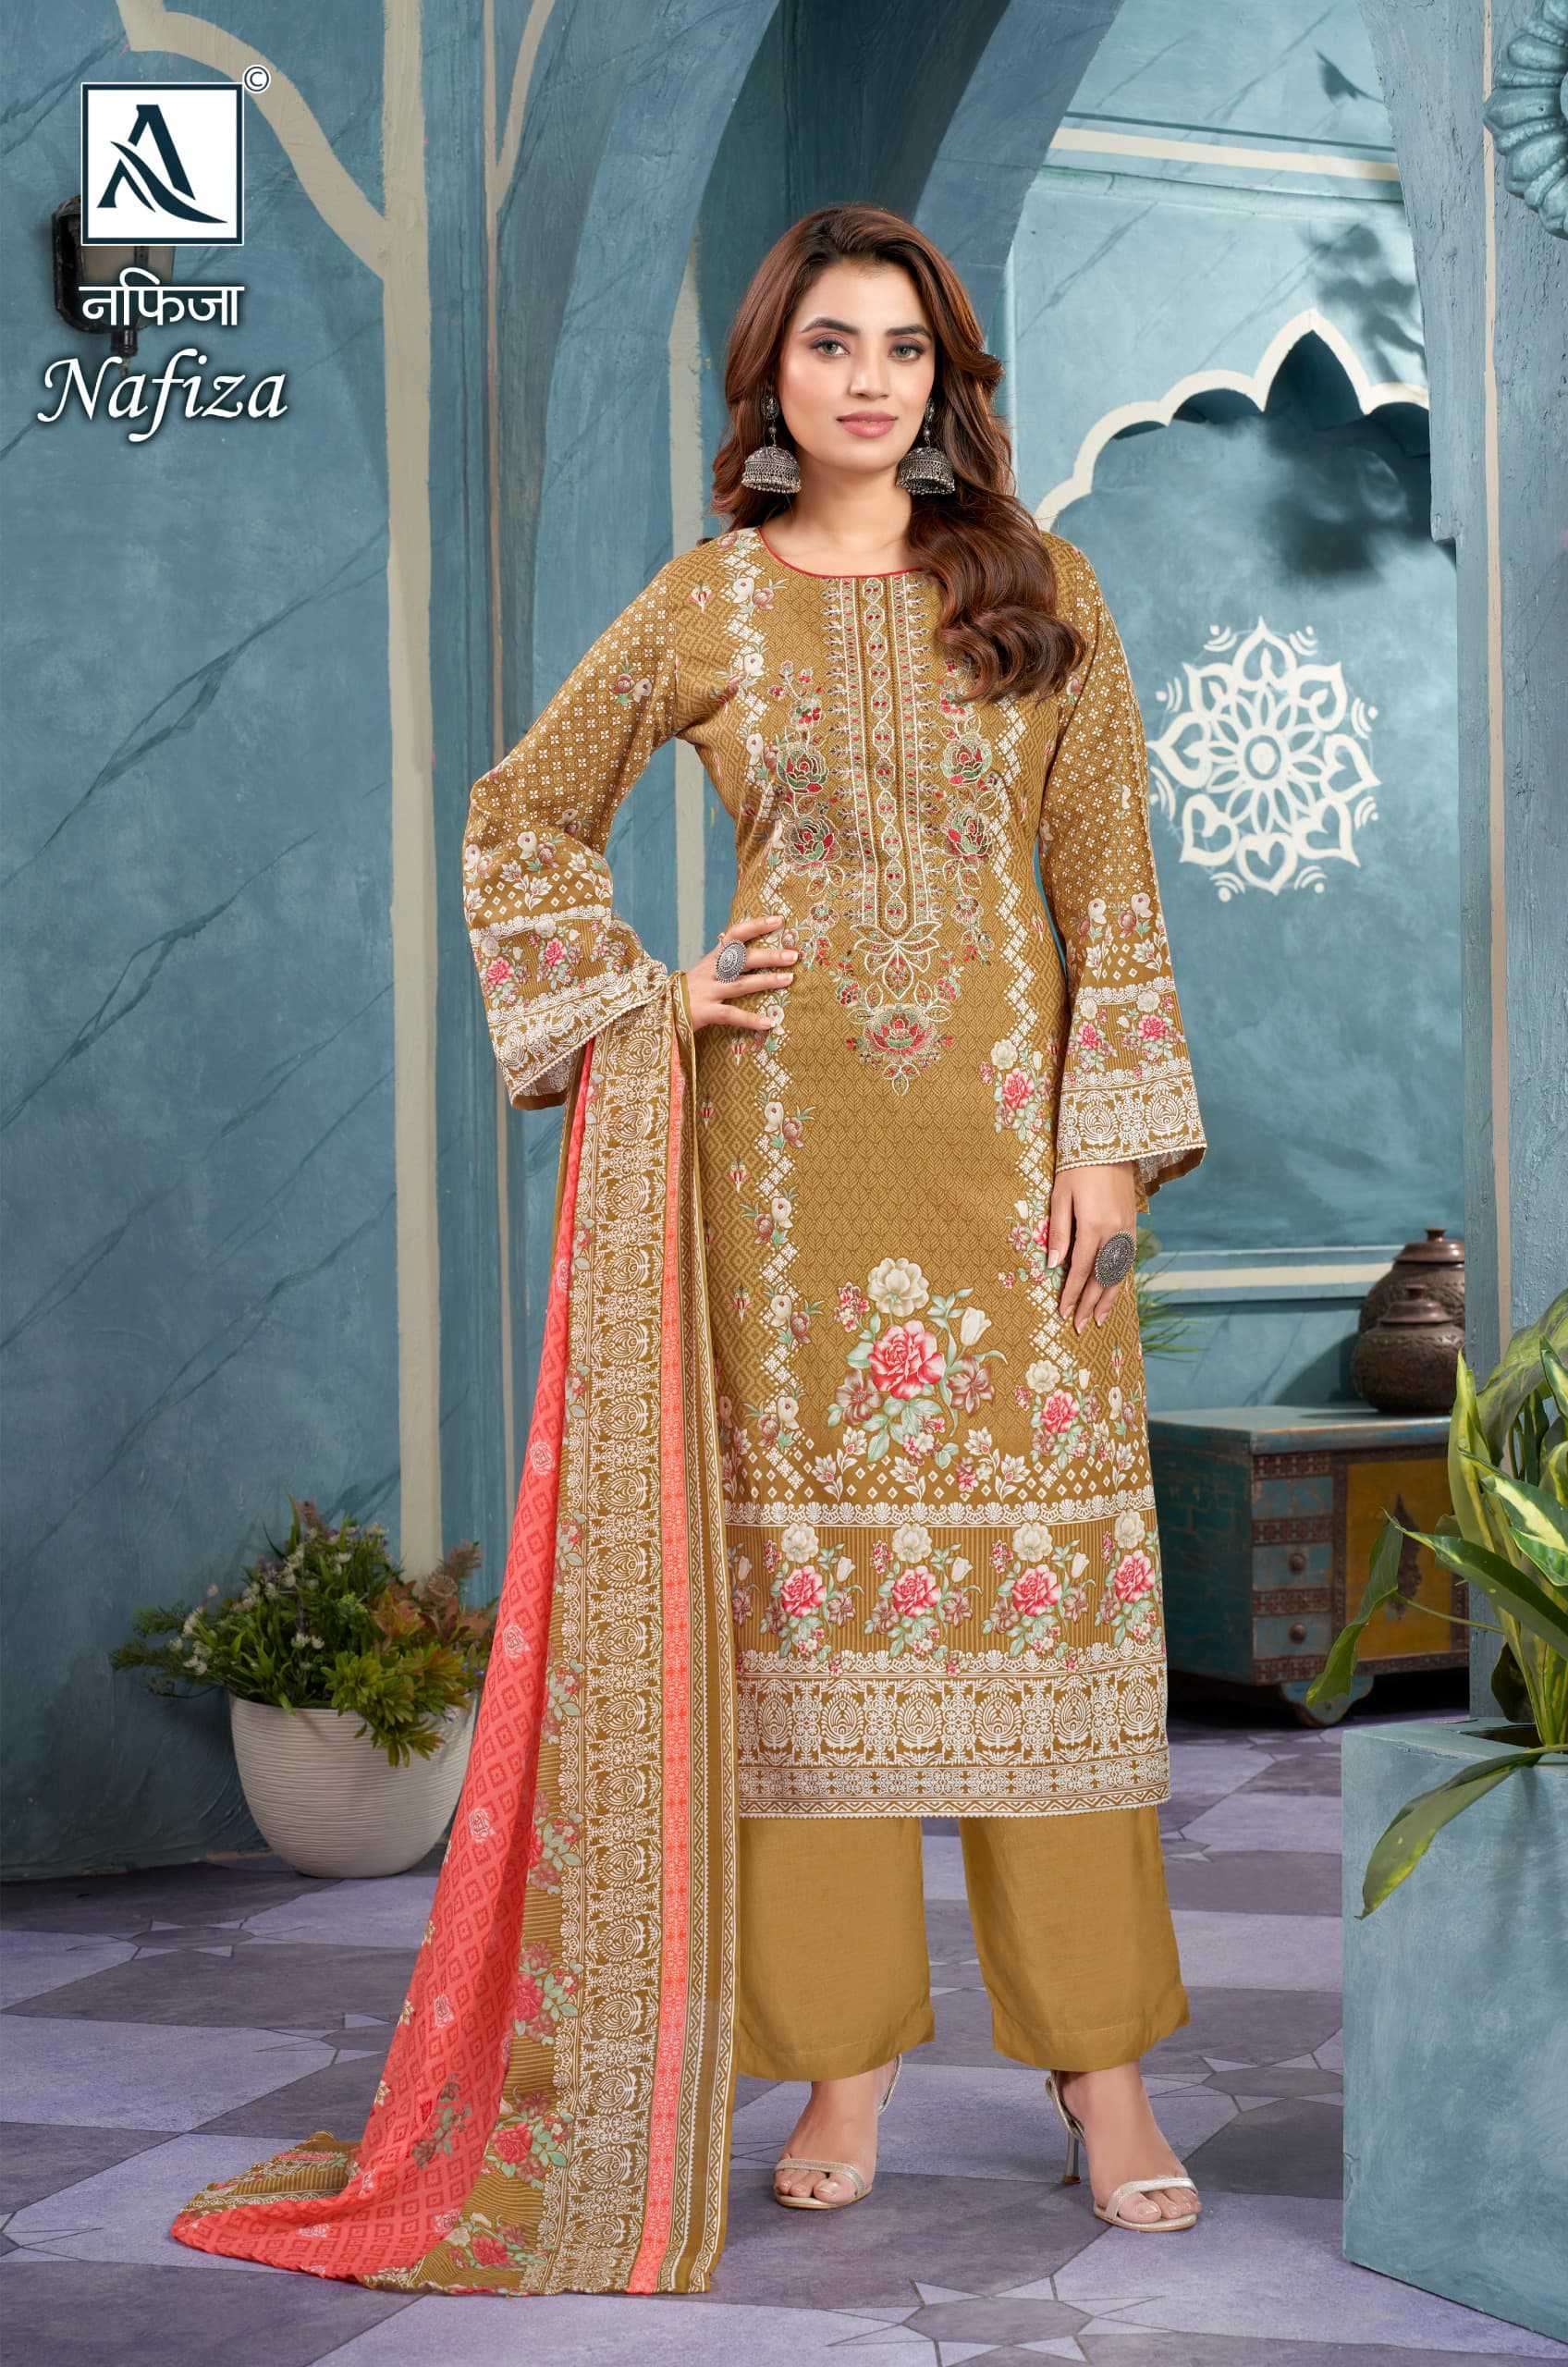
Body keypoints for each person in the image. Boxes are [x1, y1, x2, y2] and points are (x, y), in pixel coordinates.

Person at [167, 202, 1207, 2298]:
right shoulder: (708, 598)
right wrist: (653, 992)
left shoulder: (1039, 585)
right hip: (784, 1182)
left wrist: (1110, 1143)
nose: (868, 381)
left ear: (945, 378)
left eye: (902, 348)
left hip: (1018, 1182)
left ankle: (1103, 2079)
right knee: (806, 1650)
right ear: (772, 377)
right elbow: (518, 815)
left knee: (1053, 1638)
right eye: (831, 344)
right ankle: (840, 2073)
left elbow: (1110, 878)